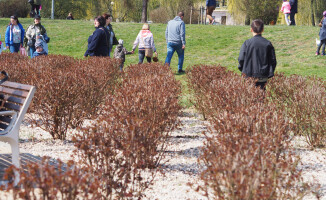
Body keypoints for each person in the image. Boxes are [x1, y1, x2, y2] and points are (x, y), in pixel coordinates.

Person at [238, 19, 277, 90]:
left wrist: (243, 69)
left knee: (249, 98)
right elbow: (273, 60)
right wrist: (268, 73)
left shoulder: (247, 43)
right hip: (262, 76)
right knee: (261, 98)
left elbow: (241, 59)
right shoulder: (267, 44)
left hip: (249, 76)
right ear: (263, 30)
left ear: (251, 29)